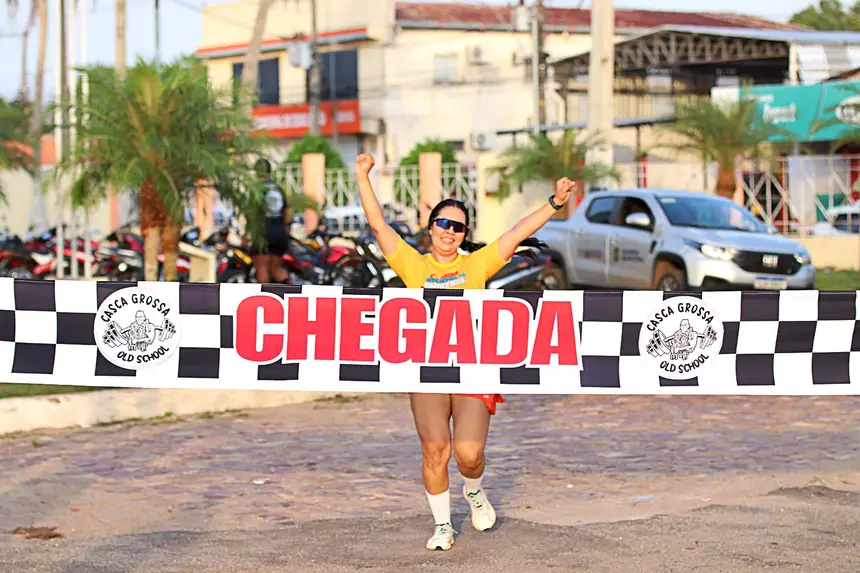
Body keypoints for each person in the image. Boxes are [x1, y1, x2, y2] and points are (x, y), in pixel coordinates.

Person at [354, 153, 575, 551]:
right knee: (435, 450)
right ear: (430, 227)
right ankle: (443, 526)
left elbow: (517, 232)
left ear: (463, 233)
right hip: (426, 369)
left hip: (472, 368)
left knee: (468, 454)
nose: (449, 231)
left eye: (457, 226)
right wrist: (361, 176)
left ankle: (473, 489)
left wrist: (555, 203)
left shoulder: (476, 265)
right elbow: (378, 225)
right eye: (443, 223)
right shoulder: (413, 265)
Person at [252, 158, 291, 284]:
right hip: (279, 230)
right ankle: (292, 291)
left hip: (264, 231)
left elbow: (254, 213)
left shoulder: (257, 189)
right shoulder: (278, 189)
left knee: (262, 269)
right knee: (276, 269)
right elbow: (287, 214)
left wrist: (247, 236)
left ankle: (264, 295)